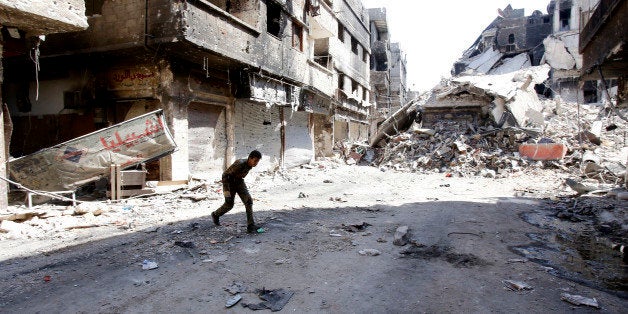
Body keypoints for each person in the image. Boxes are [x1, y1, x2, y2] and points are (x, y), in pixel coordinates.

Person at [211, 150, 262, 233]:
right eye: (255, 160)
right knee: (229, 204)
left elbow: (240, 176)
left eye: (258, 161)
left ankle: (250, 226)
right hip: (229, 182)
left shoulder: (250, 165)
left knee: (248, 201)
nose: (256, 163)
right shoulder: (240, 163)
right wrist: (226, 191)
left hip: (239, 182)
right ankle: (215, 214)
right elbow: (225, 175)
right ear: (250, 158)